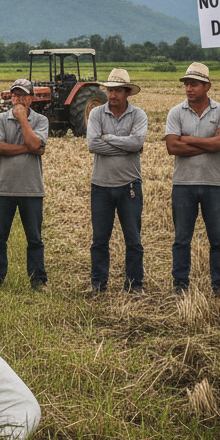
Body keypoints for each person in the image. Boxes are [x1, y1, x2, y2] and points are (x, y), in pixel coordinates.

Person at [165, 62, 220, 296]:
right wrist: (208, 144)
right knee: (182, 239)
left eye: (194, 84)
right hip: (183, 184)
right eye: (186, 84)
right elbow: (172, 147)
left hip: (215, 184)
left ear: (207, 86)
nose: (188, 88)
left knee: (218, 239)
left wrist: (189, 139)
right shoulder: (176, 112)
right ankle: (180, 284)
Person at [87, 68, 147, 295]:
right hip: (101, 186)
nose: (113, 95)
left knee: (133, 239)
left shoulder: (139, 115)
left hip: (129, 185)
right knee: (100, 240)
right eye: (110, 90)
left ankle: (134, 285)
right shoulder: (96, 114)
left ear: (127, 93)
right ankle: (98, 284)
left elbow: (137, 143)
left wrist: (108, 138)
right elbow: (93, 145)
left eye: (118, 90)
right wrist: (126, 144)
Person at [0, 78, 49, 290]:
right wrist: (29, 149)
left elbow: (34, 142)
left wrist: (23, 120)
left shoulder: (40, 120)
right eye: (15, 95)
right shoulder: (0, 119)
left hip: (31, 189)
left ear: (31, 99)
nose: (18, 99)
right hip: (3, 188)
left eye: (23, 95)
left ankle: (38, 280)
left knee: (34, 238)